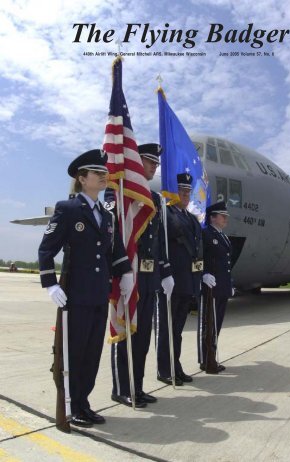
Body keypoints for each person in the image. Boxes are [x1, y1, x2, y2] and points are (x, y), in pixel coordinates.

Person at [38, 149, 134, 428]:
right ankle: (72, 404)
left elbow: (113, 251)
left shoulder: (106, 216)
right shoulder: (67, 210)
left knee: (93, 353)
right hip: (76, 296)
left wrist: (124, 273)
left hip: (98, 294)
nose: (104, 177)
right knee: (75, 352)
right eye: (98, 173)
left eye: (104, 173)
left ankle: (84, 402)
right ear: (82, 179)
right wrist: (50, 284)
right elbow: (46, 250)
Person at [108, 143, 174, 407]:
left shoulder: (156, 199)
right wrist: (122, 269)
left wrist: (165, 271)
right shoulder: (121, 190)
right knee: (125, 332)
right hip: (129, 273)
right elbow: (116, 232)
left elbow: (159, 242)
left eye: (156, 164)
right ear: (136, 162)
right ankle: (121, 388)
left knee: (144, 334)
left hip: (149, 277)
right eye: (150, 162)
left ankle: (138, 385)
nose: (154, 167)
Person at [156, 173, 203, 385]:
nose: (185, 195)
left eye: (187, 192)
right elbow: (159, 245)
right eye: (182, 191)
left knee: (177, 330)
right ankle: (164, 370)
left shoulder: (191, 218)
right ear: (173, 193)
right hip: (170, 281)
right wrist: (164, 273)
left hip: (186, 283)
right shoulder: (165, 214)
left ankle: (176, 365)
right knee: (166, 329)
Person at [198, 201, 232, 373]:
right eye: (222, 216)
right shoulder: (205, 233)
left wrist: (229, 283)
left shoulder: (222, 235)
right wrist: (203, 273)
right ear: (212, 218)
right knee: (208, 324)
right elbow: (199, 255)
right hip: (210, 286)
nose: (225, 219)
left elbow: (225, 263)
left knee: (216, 324)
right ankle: (206, 359)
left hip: (221, 287)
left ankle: (211, 356)